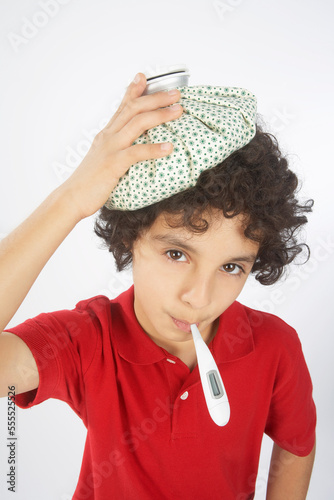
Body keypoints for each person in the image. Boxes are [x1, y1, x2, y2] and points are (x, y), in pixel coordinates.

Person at [0, 72, 316, 499]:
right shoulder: (87, 341)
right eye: (176, 254)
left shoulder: (275, 347)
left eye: (231, 268)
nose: (199, 298)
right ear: (131, 235)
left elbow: (297, 446)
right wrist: (72, 198)